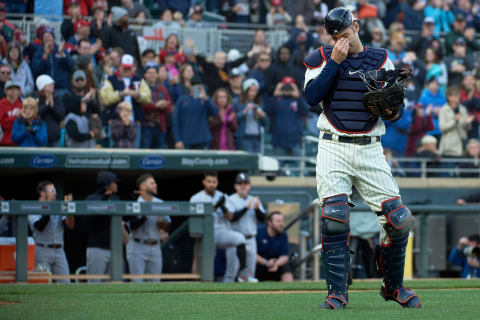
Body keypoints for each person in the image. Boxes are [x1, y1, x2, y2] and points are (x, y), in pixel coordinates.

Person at [303, 7, 422, 309]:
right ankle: (337, 292)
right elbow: (311, 97)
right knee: (334, 218)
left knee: (399, 220)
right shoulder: (320, 57)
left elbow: (396, 113)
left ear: (355, 26)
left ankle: (393, 287)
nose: (339, 42)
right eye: (334, 38)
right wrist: (335, 61)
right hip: (333, 145)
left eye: (343, 35)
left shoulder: (381, 59)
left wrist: (392, 109)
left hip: (370, 146)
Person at [190, 172, 257, 282]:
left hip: (220, 231)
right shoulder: (196, 198)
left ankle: (243, 271)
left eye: (214, 182)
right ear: (204, 182)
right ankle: (201, 284)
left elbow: (230, 217)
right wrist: (215, 206)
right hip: (205, 234)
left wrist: (223, 206)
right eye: (209, 182)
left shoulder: (223, 196)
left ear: (217, 182)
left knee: (240, 238)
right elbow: (195, 217)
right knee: (203, 264)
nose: (212, 184)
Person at [28, 181, 74, 283]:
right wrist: (48, 206)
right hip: (42, 250)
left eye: (55, 191)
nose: (55, 193)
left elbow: (70, 225)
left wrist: (69, 208)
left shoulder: (58, 206)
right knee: (43, 284)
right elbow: (40, 226)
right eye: (52, 190)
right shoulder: (33, 207)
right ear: (42, 193)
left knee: (65, 283)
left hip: (59, 251)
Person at [127, 174, 170, 282]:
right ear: (143, 187)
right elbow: (132, 226)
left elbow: (167, 227)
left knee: (155, 283)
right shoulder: (135, 202)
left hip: (155, 246)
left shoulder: (160, 203)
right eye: (152, 183)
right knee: (137, 283)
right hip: (137, 246)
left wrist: (162, 222)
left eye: (155, 183)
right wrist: (146, 213)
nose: (155, 185)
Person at [226, 173, 266, 283]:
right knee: (231, 272)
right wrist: (246, 208)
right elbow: (231, 218)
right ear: (235, 186)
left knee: (250, 274)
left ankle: (250, 299)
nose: (243, 186)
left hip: (250, 239)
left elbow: (263, 219)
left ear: (249, 185)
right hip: (235, 240)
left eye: (246, 183)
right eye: (240, 183)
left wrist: (257, 209)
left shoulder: (254, 199)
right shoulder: (230, 199)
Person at [266, 76, 309, 171]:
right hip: (279, 140)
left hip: (294, 139)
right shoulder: (277, 100)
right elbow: (268, 111)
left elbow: (305, 111)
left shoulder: (297, 100)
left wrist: (297, 94)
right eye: (285, 86)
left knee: (299, 168)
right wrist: (276, 93)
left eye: (290, 86)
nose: (287, 89)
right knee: (276, 167)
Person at [86, 171, 121, 282]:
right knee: (94, 285)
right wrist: (105, 199)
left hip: (115, 249)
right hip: (97, 248)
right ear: (107, 184)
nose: (116, 185)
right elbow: (90, 220)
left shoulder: (116, 199)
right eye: (114, 182)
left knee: (115, 286)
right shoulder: (92, 198)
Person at [172, 69, 218, 150]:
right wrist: (178, 140)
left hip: (203, 140)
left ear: (201, 85)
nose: (195, 86)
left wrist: (206, 98)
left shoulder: (205, 99)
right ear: (189, 85)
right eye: (193, 84)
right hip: (186, 140)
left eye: (198, 84)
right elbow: (175, 121)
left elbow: (215, 113)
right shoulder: (182, 100)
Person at [255, 211, 293, 282]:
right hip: (260, 264)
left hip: (276, 265)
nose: (281, 224)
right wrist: (266, 262)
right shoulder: (258, 232)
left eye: (282, 221)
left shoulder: (283, 234)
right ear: (269, 222)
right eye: (278, 221)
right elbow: (252, 254)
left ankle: (288, 291)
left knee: (287, 271)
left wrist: (276, 264)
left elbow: (285, 256)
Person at [438, 86, 473, 158]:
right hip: (449, 146)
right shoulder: (443, 110)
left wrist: (468, 122)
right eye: (455, 95)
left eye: (458, 95)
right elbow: (442, 127)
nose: (458, 97)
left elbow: (468, 128)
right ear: (449, 97)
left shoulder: (463, 109)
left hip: (462, 144)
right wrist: (455, 120)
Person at [234, 78, 267, 153]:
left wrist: (263, 116)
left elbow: (266, 123)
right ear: (245, 90)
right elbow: (233, 119)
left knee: (257, 160)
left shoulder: (259, 103)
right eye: (251, 90)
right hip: (243, 137)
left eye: (255, 90)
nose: (253, 93)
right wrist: (245, 111)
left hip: (257, 138)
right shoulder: (237, 102)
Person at [36, 75, 65, 147]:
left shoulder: (57, 99)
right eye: (49, 84)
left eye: (52, 84)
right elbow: (36, 115)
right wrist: (46, 105)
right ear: (42, 87)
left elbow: (61, 116)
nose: (53, 86)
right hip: (40, 137)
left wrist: (52, 106)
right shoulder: (36, 99)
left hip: (55, 137)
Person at [0, 80, 22, 146]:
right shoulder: (1, 104)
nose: (13, 91)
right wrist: (15, 117)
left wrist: (10, 120)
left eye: (15, 89)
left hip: (19, 142)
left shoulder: (22, 105)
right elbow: (3, 125)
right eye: (10, 88)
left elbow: (22, 125)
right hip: (4, 142)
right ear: (5, 91)